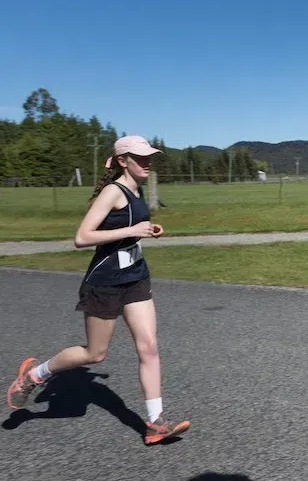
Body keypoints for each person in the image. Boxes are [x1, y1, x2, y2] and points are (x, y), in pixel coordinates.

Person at [6, 135, 190, 446]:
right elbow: (82, 237)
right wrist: (132, 230)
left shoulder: (136, 188)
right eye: (140, 157)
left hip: (136, 277)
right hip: (104, 282)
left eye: (149, 157)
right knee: (95, 354)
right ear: (122, 161)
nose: (147, 162)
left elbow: (127, 229)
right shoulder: (112, 191)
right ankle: (35, 374)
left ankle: (155, 423)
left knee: (148, 346)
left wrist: (146, 230)